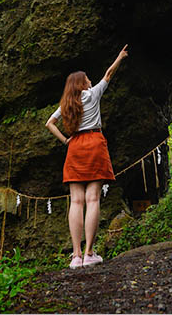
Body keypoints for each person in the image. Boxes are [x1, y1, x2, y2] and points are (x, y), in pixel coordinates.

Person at [45, 44, 128, 269]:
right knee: (93, 199)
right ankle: (90, 253)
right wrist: (119, 56)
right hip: (94, 143)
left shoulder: (66, 104)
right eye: (88, 79)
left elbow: (49, 123)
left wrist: (65, 140)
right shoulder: (92, 94)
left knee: (76, 201)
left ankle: (76, 256)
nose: (91, 81)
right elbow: (108, 74)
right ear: (83, 83)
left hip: (75, 146)